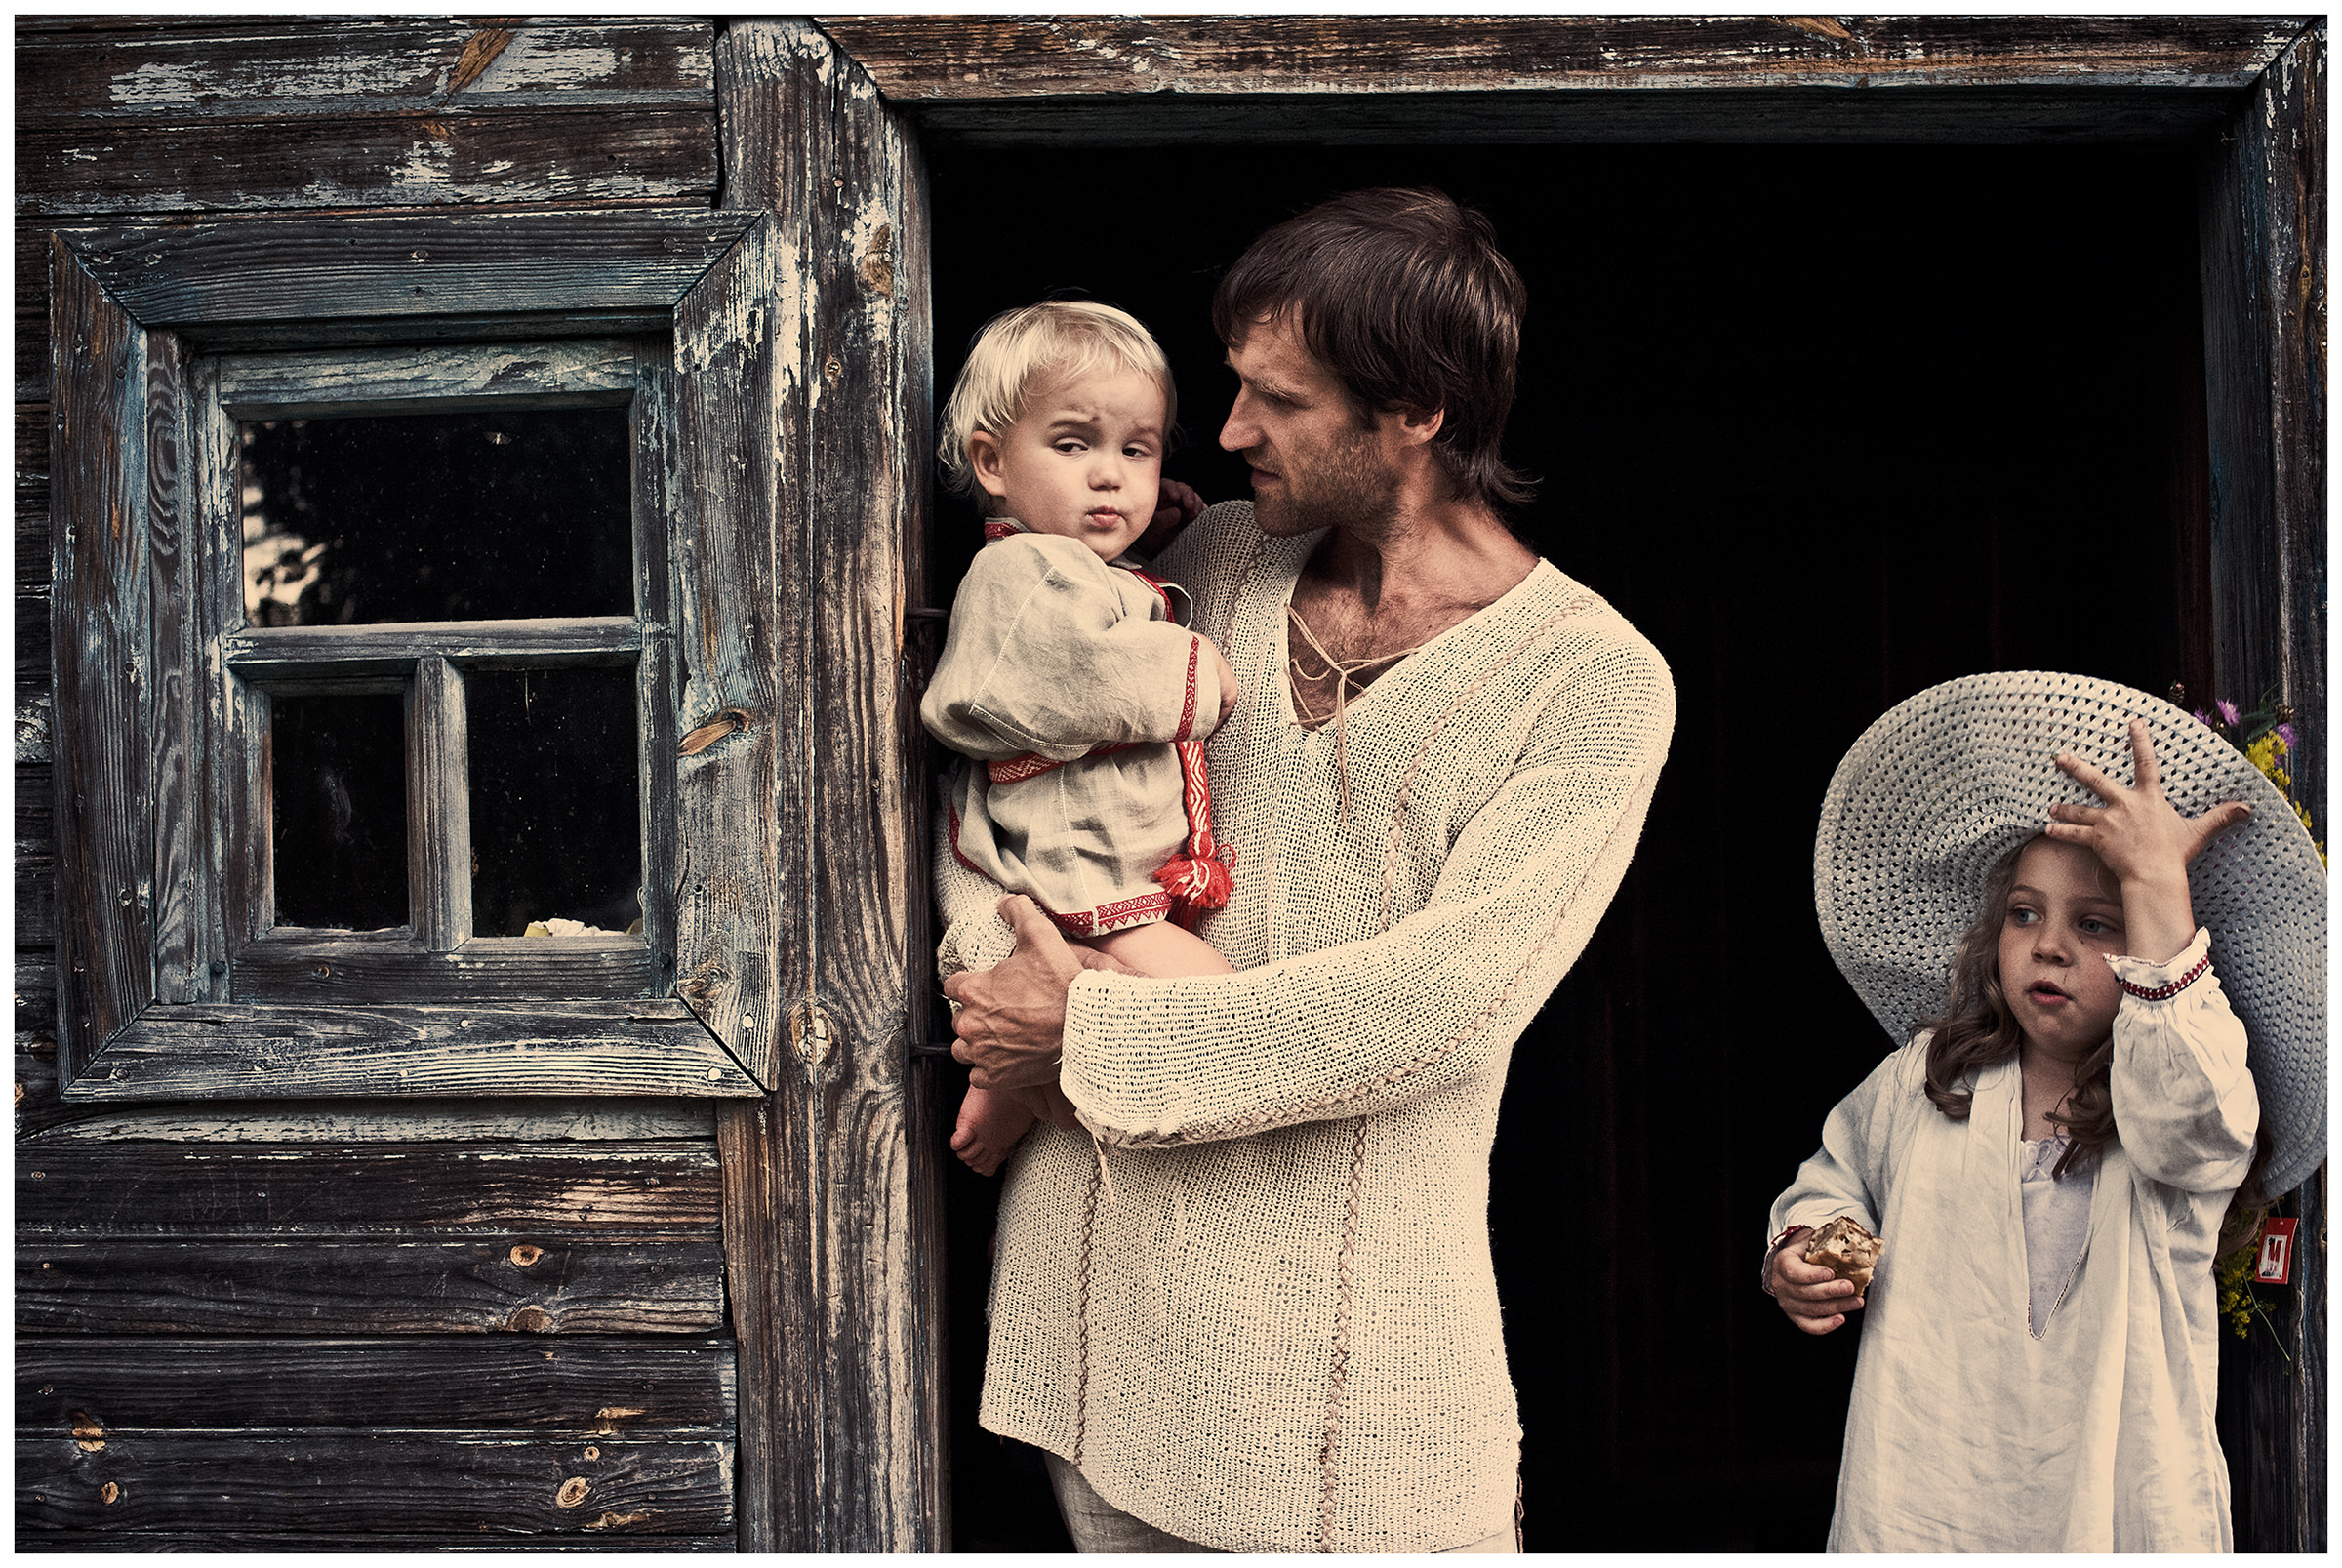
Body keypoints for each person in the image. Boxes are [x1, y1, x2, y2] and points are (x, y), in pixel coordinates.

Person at [937, 187, 1676, 1552]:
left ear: (1418, 413)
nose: (1223, 434)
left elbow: (1442, 1006)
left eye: (1277, 398)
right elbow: (1005, 760)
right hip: (1107, 1319)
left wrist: (1089, 1037)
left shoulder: (1595, 682)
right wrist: (987, 970)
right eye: (1232, 386)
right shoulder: (1202, 560)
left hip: (1357, 1375)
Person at [1768, 670, 2327, 1551]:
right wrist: (1805, 1246)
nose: (2051, 944)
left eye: (2099, 924)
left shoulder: (2171, 1115)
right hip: (1923, 1500)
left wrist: (2157, 892)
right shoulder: (1929, 1077)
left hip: (2112, 1509)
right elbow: (1835, 1175)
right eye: (2025, 913)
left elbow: (2197, 1112)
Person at [922, 300, 1239, 1176]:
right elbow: (1075, 675)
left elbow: (1095, 608)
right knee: (1211, 1001)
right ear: (991, 460)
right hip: (1083, 855)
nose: (1110, 477)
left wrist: (1152, 533)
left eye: (1136, 450)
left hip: (1108, 846)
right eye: (1073, 445)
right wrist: (1200, 670)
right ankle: (1020, 1076)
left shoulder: (1065, 564)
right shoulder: (1017, 569)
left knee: (1098, 987)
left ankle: (1016, 1078)